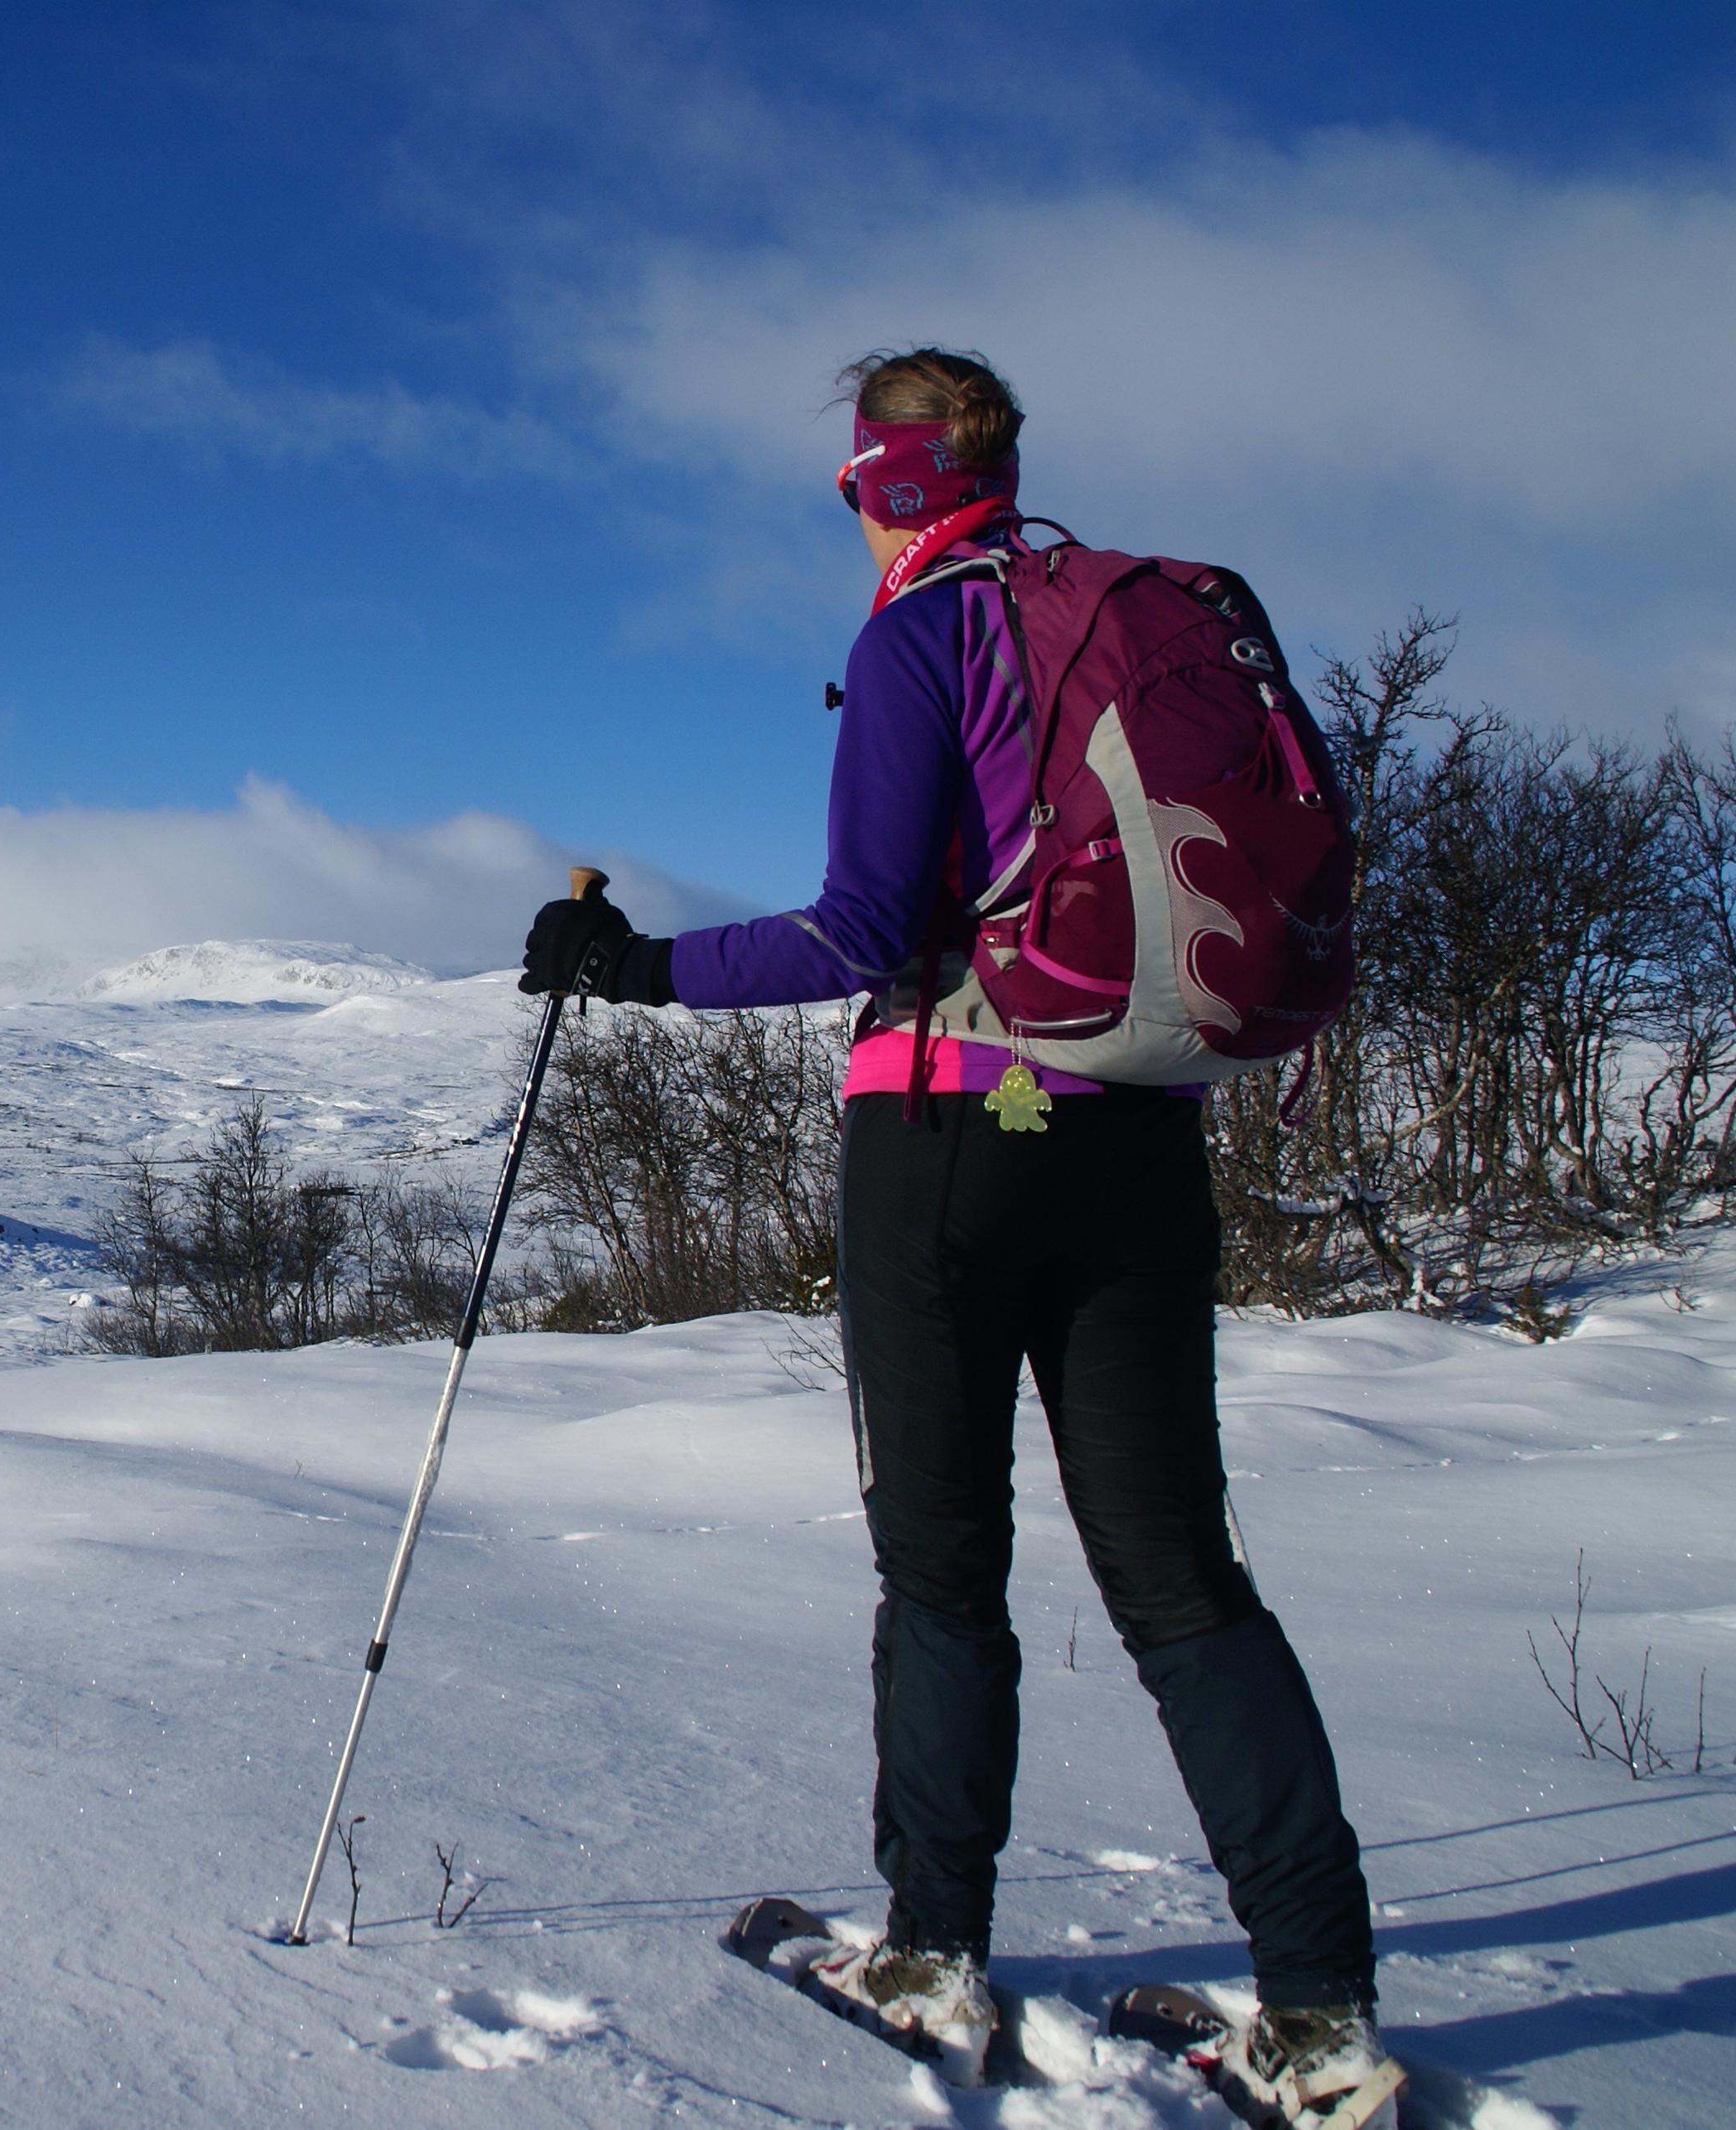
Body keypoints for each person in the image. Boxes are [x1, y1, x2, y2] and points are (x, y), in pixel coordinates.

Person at [519, 349, 1397, 2127]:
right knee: (1182, 1577)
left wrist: (634, 966)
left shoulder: (929, 636)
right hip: (1135, 1137)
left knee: (943, 1566)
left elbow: (863, 925)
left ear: (882, 486)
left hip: (953, 1133)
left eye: (852, 493)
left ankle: (935, 1953)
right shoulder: (1134, 617)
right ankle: (1317, 2012)